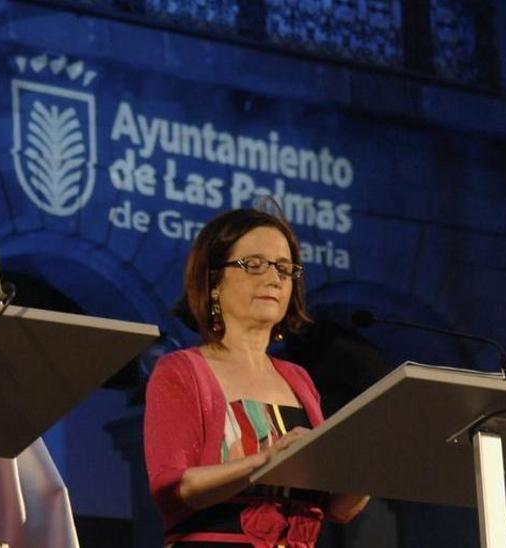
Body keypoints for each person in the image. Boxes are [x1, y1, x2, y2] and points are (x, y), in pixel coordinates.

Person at [144, 208, 368, 546]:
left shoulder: (299, 380)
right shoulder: (182, 370)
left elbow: (337, 509)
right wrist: (266, 460)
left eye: (284, 267)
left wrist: (372, 471)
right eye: (254, 264)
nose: (274, 278)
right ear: (213, 281)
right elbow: (174, 488)